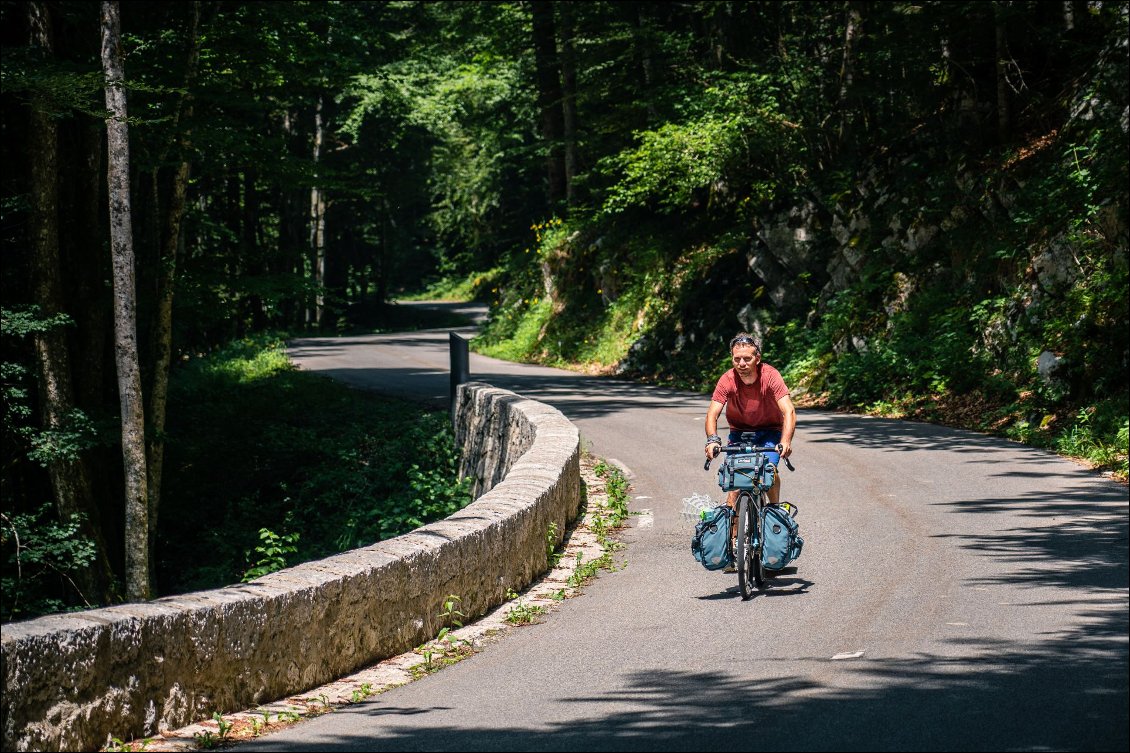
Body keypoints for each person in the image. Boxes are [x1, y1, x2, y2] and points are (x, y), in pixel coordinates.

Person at [704, 333, 796, 515]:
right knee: (735, 482)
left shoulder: (770, 376)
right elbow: (712, 414)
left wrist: (785, 442)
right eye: (737, 359)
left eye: (747, 358)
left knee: (768, 471)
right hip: (739, 433)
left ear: (757, 358)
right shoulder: (727, 379)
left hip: (770, 431)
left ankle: (774, 511)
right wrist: (712, 440)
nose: (742, 364)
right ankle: (732, 536)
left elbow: (789, 411)